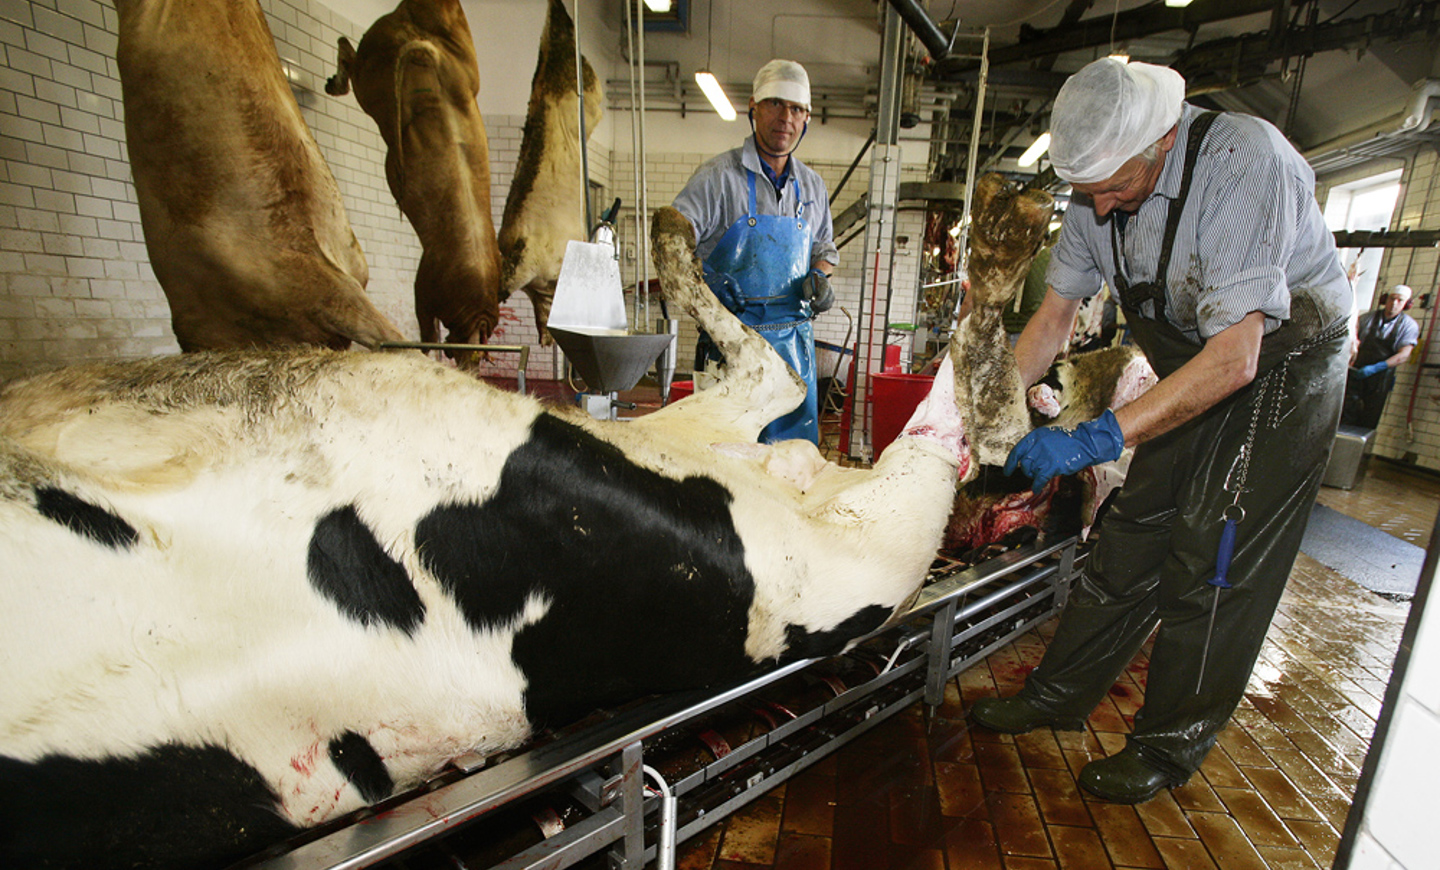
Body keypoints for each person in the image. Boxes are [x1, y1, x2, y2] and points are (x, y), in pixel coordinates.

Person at [969, 58, 1352, 804]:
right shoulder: (1097, 193)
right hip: (1190, 360)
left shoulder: (1244, 163)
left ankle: (1167, 745)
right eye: (1089, 192)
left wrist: (1097, 437)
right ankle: (1058, 694)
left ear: (1164, 141)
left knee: (1215, 550)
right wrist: (983, 407)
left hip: (1281, 363)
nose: (1102, 207)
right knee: (1133, 528)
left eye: (1117, 187)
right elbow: (1053, 318)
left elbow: (1236, 356)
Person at [672, 59, 838, 444]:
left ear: (807, 117)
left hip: (794, 355)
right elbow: (674, 241)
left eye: (796, 109)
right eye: (775, 104)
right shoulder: (717, 177)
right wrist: (706, 280)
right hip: (730, 345)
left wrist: (820, 276)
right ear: (754, 108)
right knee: (726, 456)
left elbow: (824, 249)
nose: (785, 118)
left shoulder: (812, 187)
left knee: (793, 459)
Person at [1342, 284, 1419, 429]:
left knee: (1368, 418)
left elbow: (1403, 355)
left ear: (1407, 304)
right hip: (1355, 375)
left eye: (1400, 300)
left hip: (1379, 380)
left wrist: (1377, 367)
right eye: (1392, 298)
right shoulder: (1366, 319)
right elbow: (1350, 341)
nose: (1394, 303)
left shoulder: (1408, 326)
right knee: (1345, 413)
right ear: (1385, 299)